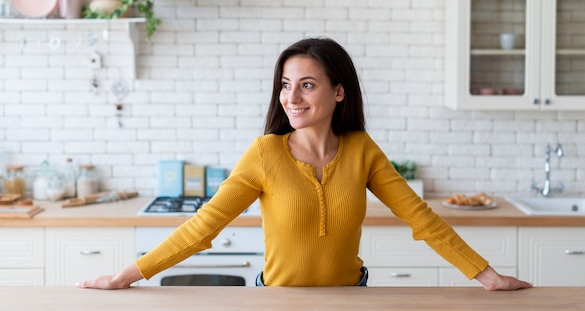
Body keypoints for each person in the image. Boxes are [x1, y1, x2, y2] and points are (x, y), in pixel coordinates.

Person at [78, 37, 532, 290]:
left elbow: (423, 219)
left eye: (308, 85)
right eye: (285, 85)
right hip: (275, 301)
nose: (291, 98)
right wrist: (125, 276)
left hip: (351, 299)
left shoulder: (362, 151)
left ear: (339, 92)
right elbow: (204, 226)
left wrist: (488, 277)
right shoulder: (264, 154)